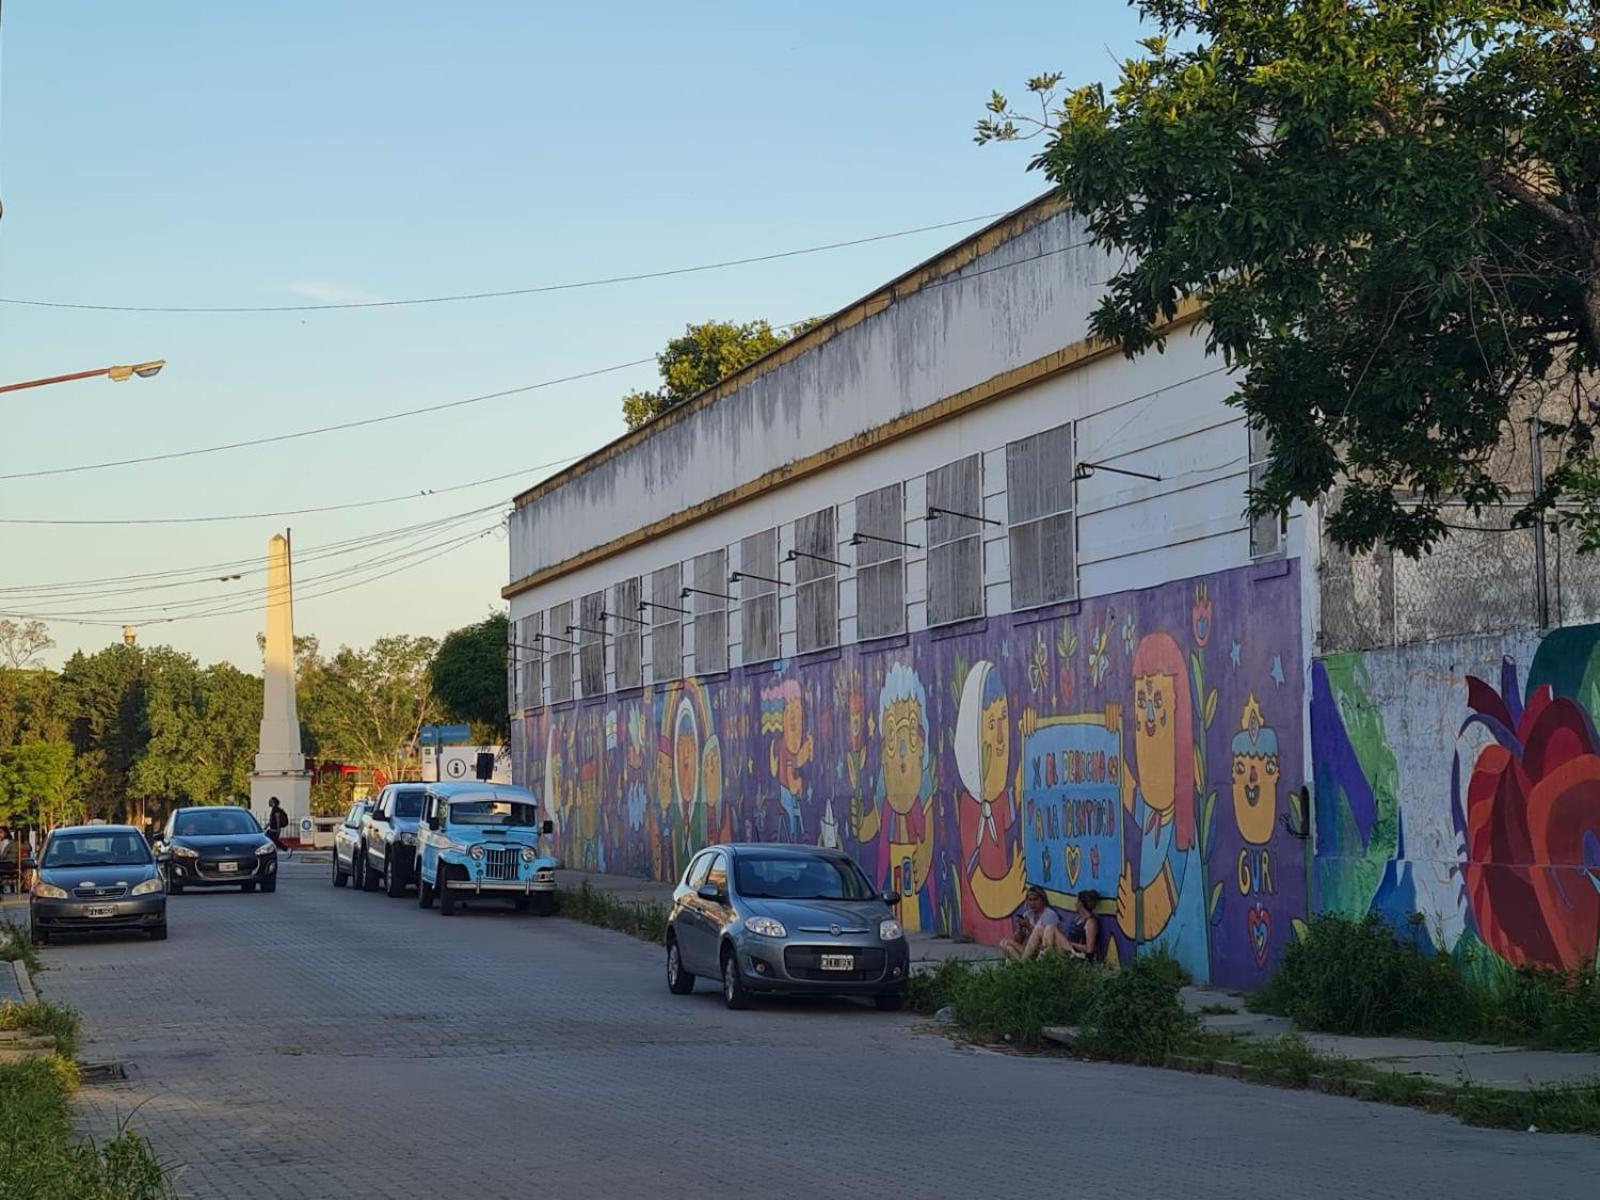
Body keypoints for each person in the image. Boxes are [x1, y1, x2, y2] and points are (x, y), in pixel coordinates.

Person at [1000, 885, 1062, 960]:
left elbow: (1044, 940)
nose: (1032, 903)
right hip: (1029, 950)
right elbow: (1018, 940)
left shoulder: (1050, 914)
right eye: (1030, 900)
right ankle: (1023, 965)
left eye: (1035, 899)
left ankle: (1022, 964)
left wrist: (1029, 926)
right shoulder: (1027, 914)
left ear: (1043, 900)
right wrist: (1020, 928)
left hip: (1044, 950)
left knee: (1009, 945)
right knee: (1005, 944)